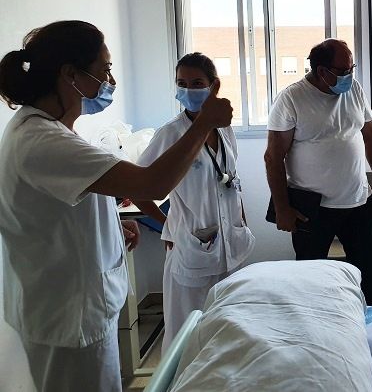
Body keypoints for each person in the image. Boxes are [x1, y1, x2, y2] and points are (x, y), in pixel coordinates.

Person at [0, 21, 232, 392]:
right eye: (105, 69)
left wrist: (111, 225)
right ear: (71, 74)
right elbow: (152, 183)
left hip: (80, 307)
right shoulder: (41, 140)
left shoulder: (54, 131)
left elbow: (62, 207)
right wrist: (203, 124)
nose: (110, 81)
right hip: (69, 317)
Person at [133, 52, 255, 353]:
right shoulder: (170, 134)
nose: (188, 90)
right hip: (191, 250)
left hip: (230, 244)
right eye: (182, 83)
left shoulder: (224, 128)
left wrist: (241, 221)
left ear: (214, 86)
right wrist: (169, 226)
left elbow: (231, 179)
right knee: (187, 336)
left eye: (197, 83)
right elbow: (138, 190)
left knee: (227, 327)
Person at [264, 38, 372, 305]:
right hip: (312, 209)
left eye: (352, 68)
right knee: (310, 278)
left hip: (358, 202)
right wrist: (282, 208)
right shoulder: (292, 98)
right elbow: (273, 157)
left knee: (369, 271)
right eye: (344, 70)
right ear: (322, 71)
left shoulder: (354, 89)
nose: (350, 76)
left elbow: (370, 135)